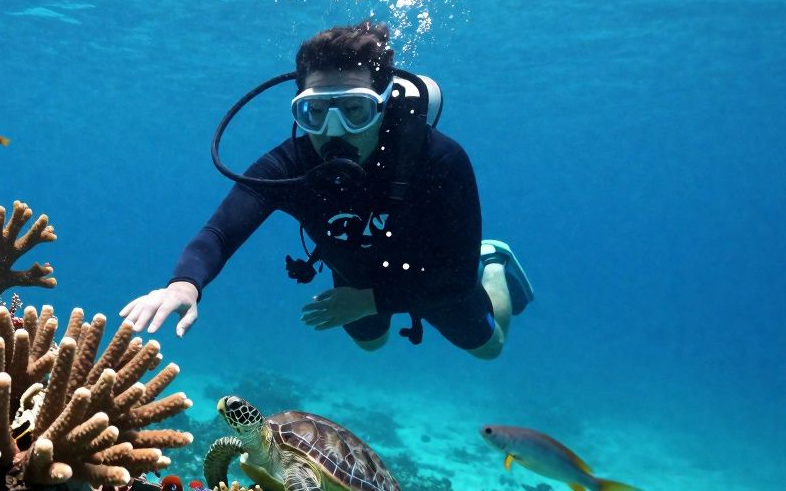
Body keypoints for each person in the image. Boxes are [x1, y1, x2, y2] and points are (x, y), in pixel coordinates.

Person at [120, 21, 533, 357]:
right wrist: (184, 284)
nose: (334, 130)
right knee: (371, 345)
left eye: (355, 110)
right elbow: (220, 232)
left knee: (490, 347)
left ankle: (493, 261)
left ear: (382, 105)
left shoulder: (439, 159)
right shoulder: (289, 165)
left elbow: (456, 278)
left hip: (431, 271)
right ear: (300, 108)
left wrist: (373, 300)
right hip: (356, 273)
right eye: (315, 112)